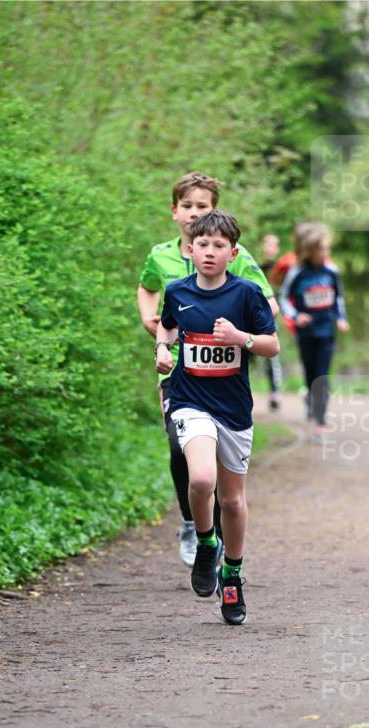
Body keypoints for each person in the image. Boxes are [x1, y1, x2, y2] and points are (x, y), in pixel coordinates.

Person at [137, 172, 278, 567]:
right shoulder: (162, 257)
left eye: (203, 206)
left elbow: (268, 311)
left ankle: (220, 546)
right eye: (188, 206)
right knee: (182, 450)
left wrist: (242, 331)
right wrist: (158, 335)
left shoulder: (240, 261)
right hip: (178, 377)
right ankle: (194, 526)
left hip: (229, 386)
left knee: (228, 489)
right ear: (175, 212)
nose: (194, 213)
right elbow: (152, 294)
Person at [155, 210, 279, 626]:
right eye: (202, 245)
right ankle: (207, 542)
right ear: (190, 250)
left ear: (233, 252)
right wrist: (161, 349)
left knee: (232, 500)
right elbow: (167, 328)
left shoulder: (246, 295)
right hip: (191, 401)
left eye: (219, 246)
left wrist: (240, 338)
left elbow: (272, 346)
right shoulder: (176, 291)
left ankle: (233, 574)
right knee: (201, 480)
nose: (209, 252)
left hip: (234, 410)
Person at [278, 223, 349, 437]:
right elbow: (283, 297)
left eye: (327, 249)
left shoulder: (332, 271)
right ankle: (309, 398)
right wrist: (295, 316)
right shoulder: (297, 272)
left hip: (327, 330)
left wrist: (341, 318)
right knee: (310, 373)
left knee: (322, 375)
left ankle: (321, 420)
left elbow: (338, 297)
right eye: (321, 249)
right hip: (306, 331)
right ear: (310, 250)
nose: (325, 253)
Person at [258, 234, 284, 410]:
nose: (270, 249)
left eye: (273, 246)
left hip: (273, 316)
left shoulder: (281, 270)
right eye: (267, 245)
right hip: (256, 315)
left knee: (272, 356)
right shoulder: (257, 269)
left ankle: (275, 393)